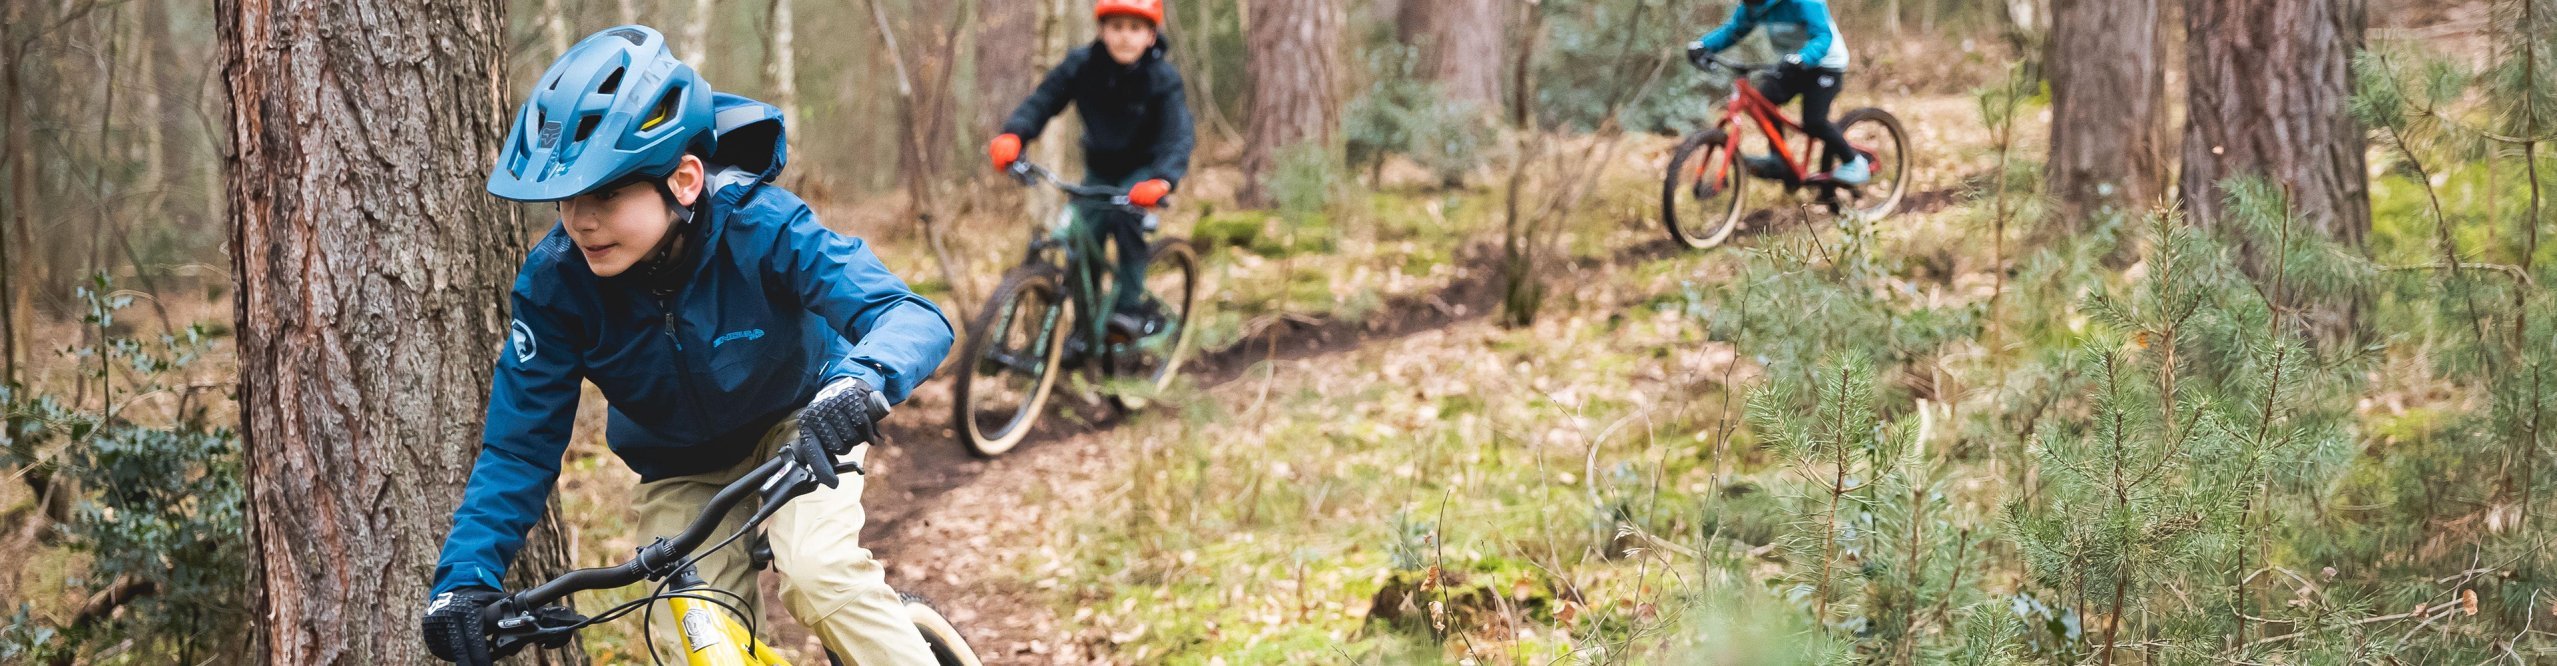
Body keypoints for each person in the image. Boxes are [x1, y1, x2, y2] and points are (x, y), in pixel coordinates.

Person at [417, 25, 954, 666]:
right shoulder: (556, 285)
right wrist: (463, 583)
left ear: (685, 179)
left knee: (819, 576)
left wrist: (859, 380)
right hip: (680, 466)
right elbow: (518, 446)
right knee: (690, 638)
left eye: (606, 194)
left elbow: (911, 315)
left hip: (805, 424)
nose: (581, 219)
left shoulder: (760, 224)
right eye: (566, 199)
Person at [987, 0, 1195, 338]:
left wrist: (1164, 178)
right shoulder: (1081, 65)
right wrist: (1014, 134)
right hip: (1099, 170)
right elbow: (1044, 100)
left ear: (1151, 35)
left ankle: (1129, 309)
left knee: (1126, 218)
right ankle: (1085, 332)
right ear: (1101, 30)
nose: (1125, 37)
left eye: (1135, 28)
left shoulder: (1163, 79)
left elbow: (1178, 134)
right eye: (1117, 27)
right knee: (1083, 240)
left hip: (1144, 170)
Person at [1687, 0, 1871, 185]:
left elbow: (1823, 36)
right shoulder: (1752, 6)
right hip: (1791, 64)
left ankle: (1855, 162)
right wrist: (1703, 45)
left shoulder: (1804, 2)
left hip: (1826, 65)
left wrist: (1803, 57)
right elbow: (1734, 31)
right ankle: (1780, 161)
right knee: (1762, 102)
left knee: (1814, 122)